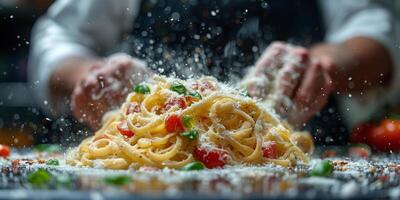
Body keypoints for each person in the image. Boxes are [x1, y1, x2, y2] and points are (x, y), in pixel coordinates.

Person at [28, 0, 400, 144]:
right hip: (145, 172)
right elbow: (61, 34)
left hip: (308, 157)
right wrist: (90, 75)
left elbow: (375, 27)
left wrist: (327, 61)